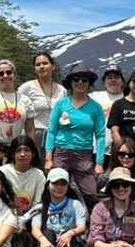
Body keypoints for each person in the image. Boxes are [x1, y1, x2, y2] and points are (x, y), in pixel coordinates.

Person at [45, 63, 106, 202]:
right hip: (61, 153)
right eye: (76, 79)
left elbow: (100, 136)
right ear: (70, 83)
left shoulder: (96, 108)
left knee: (93, 194)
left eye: (84, 80)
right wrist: (49, 159)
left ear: (89, 83)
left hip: (84, 155)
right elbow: (52, 131)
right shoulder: (61, 104)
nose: (80, 82)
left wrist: (99, 163)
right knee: (56, 192)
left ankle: (95, 221)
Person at [30, 167, 88, 247]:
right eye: (55, 183)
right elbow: (35, 228)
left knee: (68, 235)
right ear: (47, 185)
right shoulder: (40, 207)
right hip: (48, 246)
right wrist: (42, 239)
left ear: (68, 186)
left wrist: (70, 233)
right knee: (46, 232)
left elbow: (82, 227)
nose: (59, 187)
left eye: (63, 184)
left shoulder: (75, 204)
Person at [0, 135, 47, 247]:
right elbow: (2, 200)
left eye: (26, 150)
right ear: (13, 154)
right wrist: (17, 218)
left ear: (33, 154)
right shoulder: (3, 172)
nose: (22, 154)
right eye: (18, 151)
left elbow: (38, 203)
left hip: (30, 215)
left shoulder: (39, 175)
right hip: (6, 213)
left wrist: (24, 219)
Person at [0, 59, 34, 164]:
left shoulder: (25, 100)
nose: (5, 76)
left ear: (15, 75)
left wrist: (30, 149)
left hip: (16, 152)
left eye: (9, 72)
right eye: (1, 73)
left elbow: (30, 129)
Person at [19, 50, 66, 154]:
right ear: (35, 69)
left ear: (52, 66)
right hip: (33, 133)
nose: (41, 66)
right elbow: (18, 112)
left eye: (45, 63)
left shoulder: (62, 90)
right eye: (38, 64)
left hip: (55, 135)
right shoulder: (26, 88)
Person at [100, 137, 135, 213]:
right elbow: (105, 208)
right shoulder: (104, 178)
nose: (126, 157)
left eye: (131, 154)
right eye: (122, 154)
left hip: (134, 217)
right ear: (114, 155)